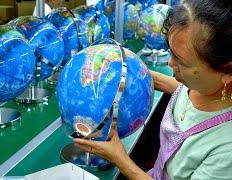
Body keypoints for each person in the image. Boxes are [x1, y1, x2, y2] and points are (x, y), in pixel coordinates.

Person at [74, 0, 232, 179]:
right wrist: (123, 68)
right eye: (171, 52)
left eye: (182, 61)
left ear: (227, 71)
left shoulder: (227, 149)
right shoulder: (204, 88)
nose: (171, 63)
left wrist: (120, 159)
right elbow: (178, 89)